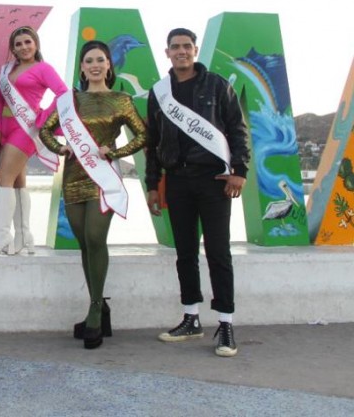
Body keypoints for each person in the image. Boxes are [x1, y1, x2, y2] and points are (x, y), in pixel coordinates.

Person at [145, 27, 249, 358]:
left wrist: (240, 172)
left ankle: (225, 323)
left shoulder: (218, 86)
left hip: (214, 180)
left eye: (186, 46)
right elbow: (152, 142)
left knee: (219, 252)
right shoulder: (159, 93)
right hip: (177, 180)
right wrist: (151, 184)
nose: (181, 52)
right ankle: (191, 317)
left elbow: (237, 130)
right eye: (175, 47)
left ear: (195, 50)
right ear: (167, 53)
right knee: (185, 252)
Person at [40, 40, 147, 349]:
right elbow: (47, 130)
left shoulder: (122, 100)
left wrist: (116, 151)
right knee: (85, 244)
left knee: (96, 238)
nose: (95, 64)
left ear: (109, 65)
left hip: (103, 180)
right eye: (89, 60)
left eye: (101, 59)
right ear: (82, 67)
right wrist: (62, 148)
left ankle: (95, 310)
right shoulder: (69, 102)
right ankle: (99, 305)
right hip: (74, 177)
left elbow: (142, 134)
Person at [0, 26, 68, 255]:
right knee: (17, 182)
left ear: (36, 43)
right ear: (13, 48)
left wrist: (45, 116)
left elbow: (63, 93)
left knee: (3, 176)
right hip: (6, 127)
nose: (24, 47)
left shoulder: (43, 68)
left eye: (27, 42)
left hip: (26, 128)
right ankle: (23, 235)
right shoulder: (7, 70)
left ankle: (1, 236)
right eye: (18, 44)